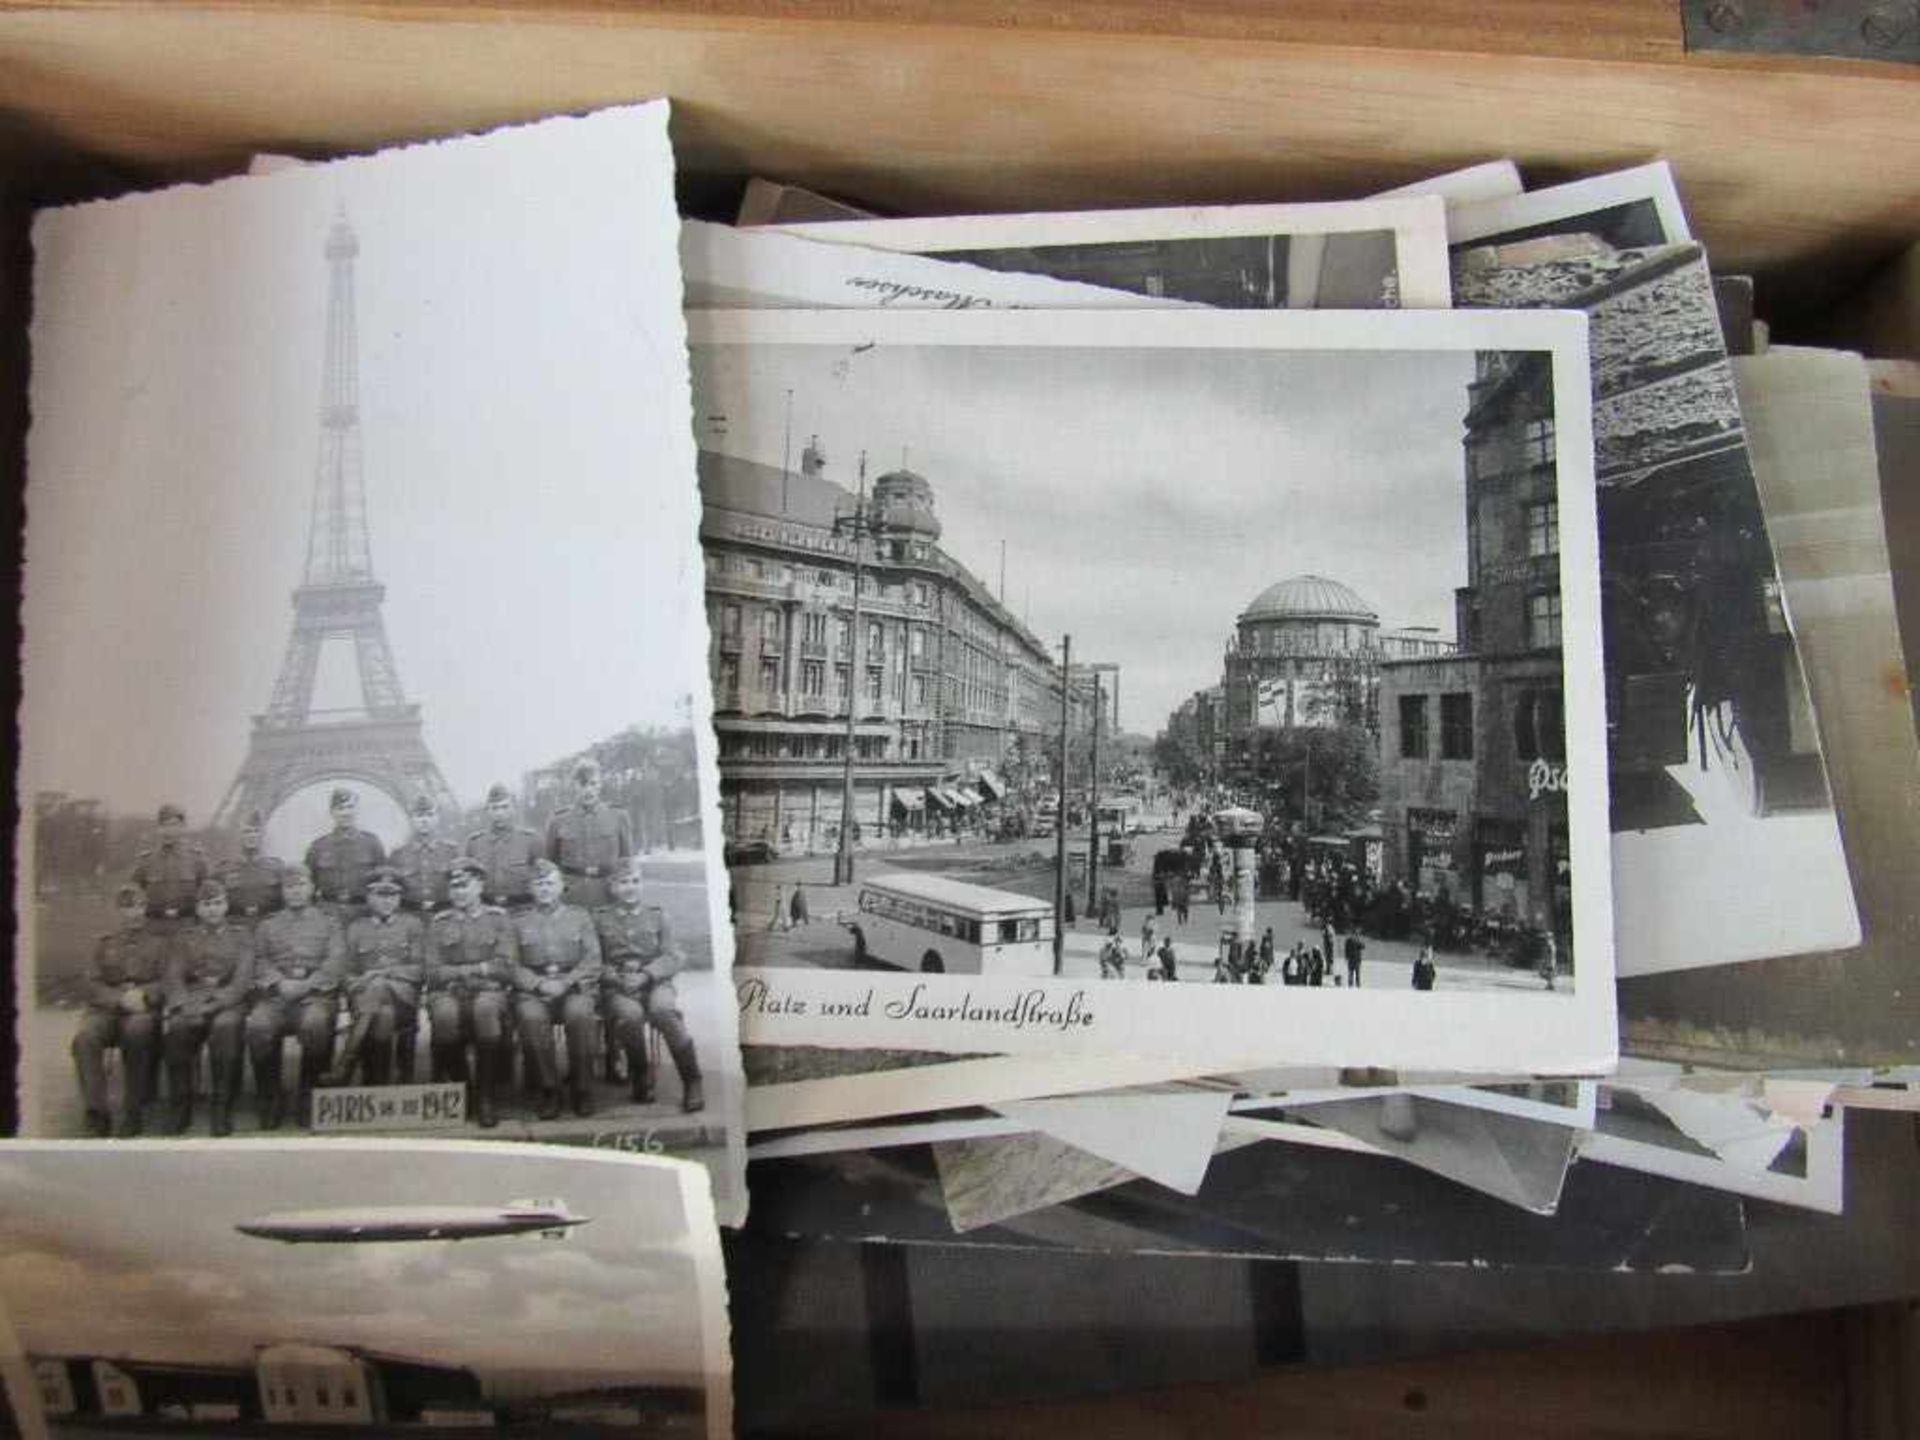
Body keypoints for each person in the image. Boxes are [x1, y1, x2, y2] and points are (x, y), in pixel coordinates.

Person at [593, 857, 704, 1112]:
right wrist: (616, 978)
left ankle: (692, 1080)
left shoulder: (657, 915)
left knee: (663, 1010)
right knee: (630, 1016)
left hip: (655, 983)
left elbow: (673, 956)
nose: (629, 887)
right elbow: (593, 960)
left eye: (635, 881)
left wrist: (646, 975)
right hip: (618, 986)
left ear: (641, 884)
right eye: (623, 882)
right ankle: (640, 1075)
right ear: (612, 887)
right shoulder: (599, 918)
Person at [245, 864, 345, 1129]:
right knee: (258, 1026)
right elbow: (259, 959)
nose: (296, 891)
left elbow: (336, 961)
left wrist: (308, 984)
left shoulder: (329, 923)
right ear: (282, 891)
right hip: (277, 997)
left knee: (315, 1025)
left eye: (301, 885)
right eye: (290, 887)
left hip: (315, 996)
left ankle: (309, 1096)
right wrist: (278, 982)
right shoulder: (268, 925)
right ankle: (270, 1096)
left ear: (312, 888)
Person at [426, 856, 518, 1127]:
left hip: (490, 993)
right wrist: (476, 971)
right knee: (444, 1015)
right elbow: (433, 971)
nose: (459, 892)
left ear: (480, 886)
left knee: (485, 1009)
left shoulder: (498, 919)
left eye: (465, 885)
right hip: (450, 992)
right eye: (454, 887)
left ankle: (486, 1095)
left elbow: (506, 966)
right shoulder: (439, 922)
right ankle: (464, 1088)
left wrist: (462, 972)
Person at [512, 858, 604, 1119]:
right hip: (534, 989)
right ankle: (549, 1089)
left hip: (573, 986)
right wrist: (539, 983)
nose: (544, 889)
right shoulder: (518, 921)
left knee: (580, 1016)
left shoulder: (579, 916)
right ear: (530, 888)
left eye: (550, 883)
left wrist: (565, 982)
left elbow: (592, 959)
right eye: (539, 883)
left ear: (561, 886)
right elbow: (510, 965)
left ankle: (582, 1088)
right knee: (531, 1018)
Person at [72, 882, 166, 1136]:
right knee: (84, 1037)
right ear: (119, 910)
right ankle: (96, 1112)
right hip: (106, 1009)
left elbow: (168, 980)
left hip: (141, 1009)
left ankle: (132, 1109)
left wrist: (144, 994)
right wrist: (118, 998)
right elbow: (90, 983)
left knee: (138, 1031)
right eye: (128, 907)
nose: (134, 913)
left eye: (140, 906)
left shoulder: (159, 944)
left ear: (146, 909)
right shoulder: (105, 942)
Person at [161, 878, 254, 1135]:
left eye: (217, 903)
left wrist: (214, 1005)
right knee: (177, 1028)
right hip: (193, 999)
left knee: (225, 1028)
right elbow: (174, 976)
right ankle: (181, 1104)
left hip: (228, 1002)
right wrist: (181, 1004)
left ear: (226, 905)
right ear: (198, 908)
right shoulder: (184, 937)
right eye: (206, 904)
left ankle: (221, 1106)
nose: (212, 909)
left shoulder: (242, 935)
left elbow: (242, 981)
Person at [329, 866, 426, 1086]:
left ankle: (346, 1064)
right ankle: (376, 1084)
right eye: (380, 895)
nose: (387, 901)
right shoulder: (356, 928)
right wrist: (357, 986)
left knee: (379, 985)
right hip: (366, 999)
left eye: (393, 895)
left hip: (403, 998)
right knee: (383, 1015)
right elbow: (346, 971)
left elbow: (421, 969)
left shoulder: (412, 925)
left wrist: (383, 974)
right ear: (368, 897)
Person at [546, 757, 633, 909]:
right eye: (583, 784)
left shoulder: (618, 816)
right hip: (572, 898)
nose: (588, 790)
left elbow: (627, 862)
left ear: (600, 785)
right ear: (575, 786)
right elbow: (550, 865)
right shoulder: (558, 821)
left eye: (593, 784)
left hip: (608, 895)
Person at [305, 787, 387, 918]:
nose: (346, 813)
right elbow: (308, 886)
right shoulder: (318, 847)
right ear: (332, 812)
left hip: (364, 913)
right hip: (327, 912)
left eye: (350, 807)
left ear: (356, 810)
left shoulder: (372, 843)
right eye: (340, 808)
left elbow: (383, 882)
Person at [129, 802, 209, 930]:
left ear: (183, 827)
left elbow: (205, 891)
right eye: (164, 825)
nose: (169, 831)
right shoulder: (147, 860)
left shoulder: (196, 859)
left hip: (186, 927)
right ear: (158, 828)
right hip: (154, 928)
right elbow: (136, 891)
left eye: (173, 825)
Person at [465, 782, 542, 911]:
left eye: (504, 807)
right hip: (486, 912)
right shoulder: (474, 843)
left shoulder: (531, 840)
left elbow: (543, 877)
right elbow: (467, 883)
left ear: (513, 809)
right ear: (487, 811)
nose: (499, 813)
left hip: (522, 910)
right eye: (495, 808)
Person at [391, 793, 460, 914]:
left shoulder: (451, 852)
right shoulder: (398, 854)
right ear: (411, 819)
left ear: (437, 818)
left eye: (429, 815)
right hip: (410, 914)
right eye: (419, 816)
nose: (424, 820)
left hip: (444, 913)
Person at [218, 810, 284, 925]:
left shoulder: (276, 867)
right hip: (236, 925)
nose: (252, 836)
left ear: (262, 835)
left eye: (256, 831)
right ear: (239, 835)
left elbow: (284, 901)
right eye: (247, 831)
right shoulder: (224, 869)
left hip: (268, 925)